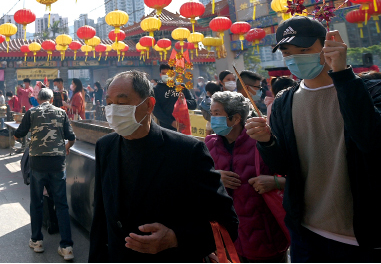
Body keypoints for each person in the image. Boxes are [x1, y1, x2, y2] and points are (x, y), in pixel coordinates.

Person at [246, 16, 381, 262]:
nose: (295, 58)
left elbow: (370, 141)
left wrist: (343, 74)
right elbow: (282, 166)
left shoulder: (370, 91)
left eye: (305, 49)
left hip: (362, 237)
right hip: (305, 233)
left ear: (326, 45)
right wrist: (266, 141)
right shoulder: (284, 103)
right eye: (287, 52)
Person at [89, 71, 238, 263]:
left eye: (122, 102)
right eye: (109, 103)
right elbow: (100, 217)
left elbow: (227, 223)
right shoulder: (105, 147)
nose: (113, 110)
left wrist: (175, 238)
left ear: (149, 105)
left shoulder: (187, 151)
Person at [206, 91, 289, 262]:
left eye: (217, 114)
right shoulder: (209, 144)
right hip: (227, 240)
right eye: (211, 113)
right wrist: (214, 177)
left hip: (266, 239)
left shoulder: (263, 142)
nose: (212, 119)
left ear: (235, 119)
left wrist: (275, 182)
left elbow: (294, 175)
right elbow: (196, 182)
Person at [14, 88, 76, 260]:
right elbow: (71, 137)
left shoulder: (32, 112)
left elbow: (19, 133)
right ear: (51, 98)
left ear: (38, 98)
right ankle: (67, 247)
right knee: (61, 204)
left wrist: (20, 139)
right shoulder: (61, 113)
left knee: (37, 202)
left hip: (38, 164)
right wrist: (66, 148)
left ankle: (37, 241)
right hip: (57, 164)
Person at [152, 64, 196, 131]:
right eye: (163, 73)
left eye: (168, 73)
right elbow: (156, 110)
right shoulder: (156, 90)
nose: (166, 75)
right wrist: (171, 122)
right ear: (160, 75)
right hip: (165, 128)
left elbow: (194, 105)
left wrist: (184, 101)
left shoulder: (181, 87)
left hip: (183, 126)